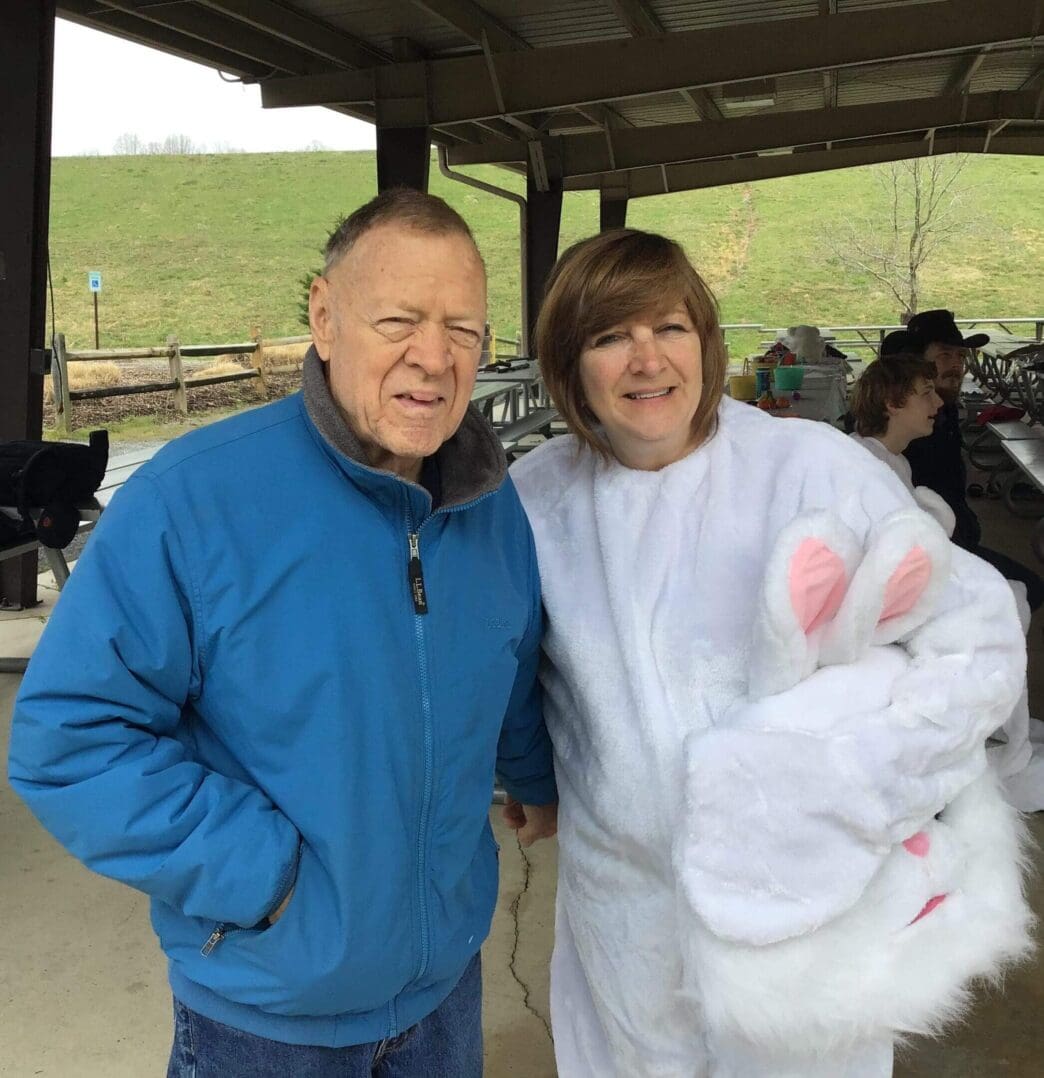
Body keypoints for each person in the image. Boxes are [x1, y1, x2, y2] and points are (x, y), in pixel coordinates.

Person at [8, 188, 557, 1078]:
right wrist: (261, 875)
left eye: (464, 329)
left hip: (443, 994)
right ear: (324, 317)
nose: (434, 357)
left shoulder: (492, 506)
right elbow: (66, 744)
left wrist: (535, 775)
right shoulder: (195, 500)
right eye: (398, 320)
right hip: (265, 1025)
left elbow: (511, 659)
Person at [510, 229, 1029, 1077]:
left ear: (706, 343)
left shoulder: (805, 466)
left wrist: (854, 785)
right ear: (570, 366)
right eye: (610, 337)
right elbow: (484, 664)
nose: (646, 361)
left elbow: (976, 639)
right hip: (626, 922)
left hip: (811, 924)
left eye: (668, 329)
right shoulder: (533, 504)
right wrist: (527, 776)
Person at [899, 308, 1044, 609]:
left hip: (953, 538)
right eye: (944, 355)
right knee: (1029, 591)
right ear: (916, 360)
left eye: (961, 357)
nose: (956, 365)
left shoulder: (944, 408)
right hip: (928, 554)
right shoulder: (909, 422)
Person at [848, 353, 955, 534]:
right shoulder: (869, 467)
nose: (938, 402)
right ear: (892, 403)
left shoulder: (893, 459)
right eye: (927, 393)